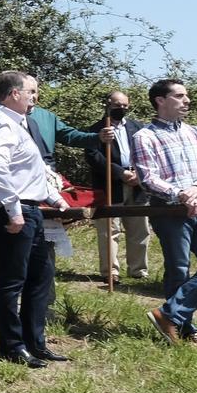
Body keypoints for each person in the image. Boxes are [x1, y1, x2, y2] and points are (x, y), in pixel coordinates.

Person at [0, 71, 70, 367]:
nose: (35, 97)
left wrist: (52, 196)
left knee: (40, 276)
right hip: (15, 211)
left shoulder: (18, 123)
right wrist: (14, 211)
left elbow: (27, 168)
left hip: (30, 209)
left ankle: (34, 342)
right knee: (12, 279)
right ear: (14, 93)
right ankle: (13, 346)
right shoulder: (1, 123)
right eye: (31, 91)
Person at [133, 79, 197, 344]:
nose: (186, 101)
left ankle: (168, 315)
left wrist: (196, 189)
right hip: (168, 210)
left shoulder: (195, 132)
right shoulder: (145, 136)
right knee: (178, 269)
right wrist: (181, 194)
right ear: (160, 101)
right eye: (179, 96)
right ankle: (187, 330)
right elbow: (148, 178)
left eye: (186, 96)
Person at [82, 90, 150, 281]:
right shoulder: (95, 130)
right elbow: (94, 157)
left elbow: (148, 152)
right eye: (117, 105)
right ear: (108, 105)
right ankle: (110, 272)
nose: (121, 109)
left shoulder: (139, 128)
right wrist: (120, 173)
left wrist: (139, 173)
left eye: (125, 106)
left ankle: (138, 271)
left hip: (137, 184)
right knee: (110, 230)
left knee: (140, 228)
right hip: (110, 185)